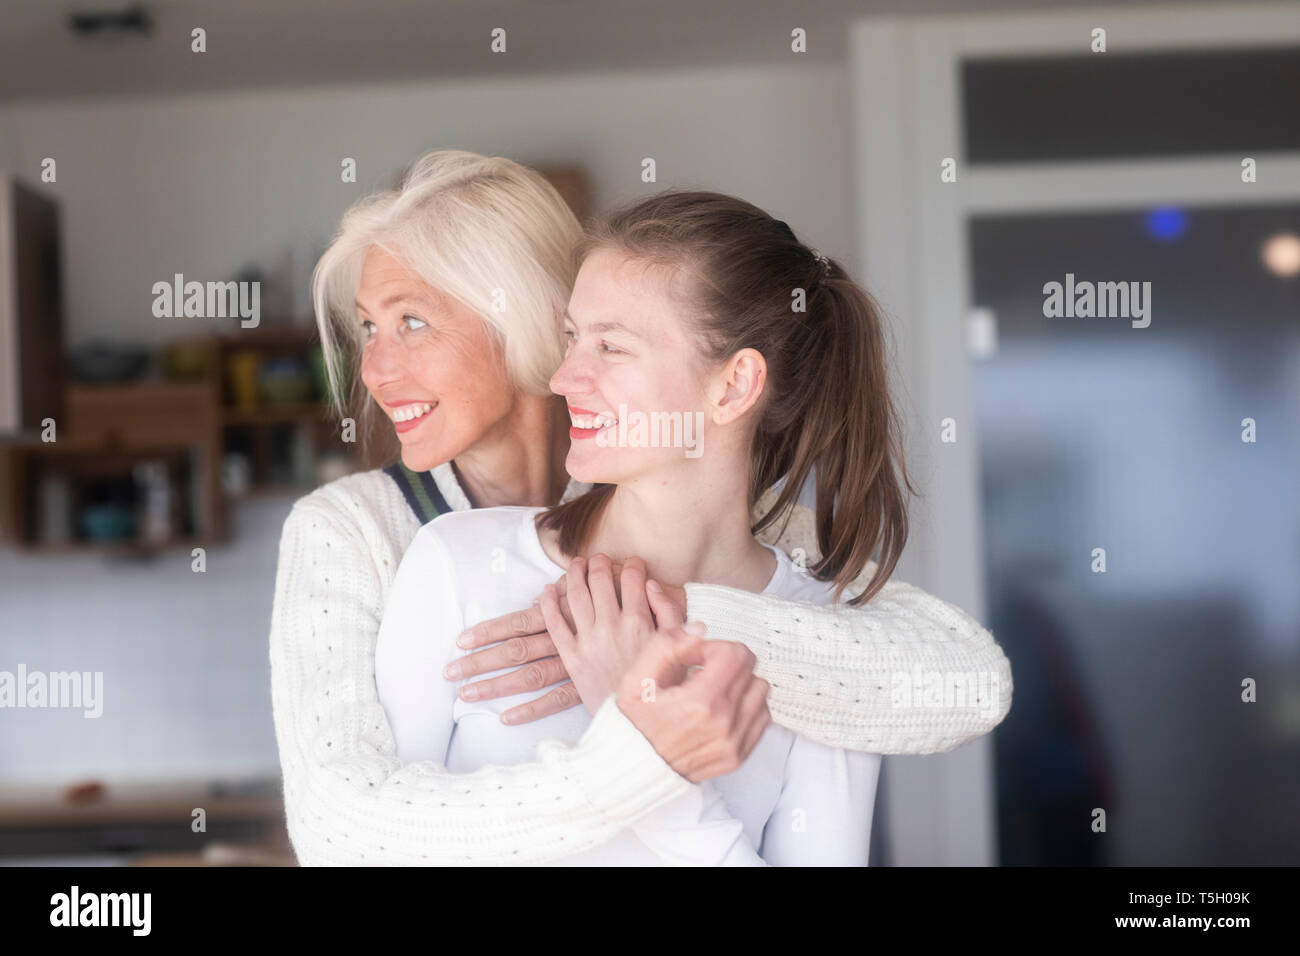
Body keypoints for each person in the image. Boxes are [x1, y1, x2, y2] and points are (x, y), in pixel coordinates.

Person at [269, 149, 1012, 866]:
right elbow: (346, 834)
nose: (373, 370)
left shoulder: (792, 589)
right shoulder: (395, 545)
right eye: (367, 327)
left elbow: (958, 678)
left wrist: (667, 624)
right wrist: (639, 750)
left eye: (412, 321)